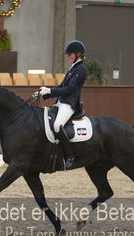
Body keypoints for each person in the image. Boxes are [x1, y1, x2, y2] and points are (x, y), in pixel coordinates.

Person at [33, 40, 87, 169]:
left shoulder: (81, 69)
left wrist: (50, 91)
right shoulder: (72, 68)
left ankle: (70, 157)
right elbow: (61, 86)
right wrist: (44, 94)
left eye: (70, 54)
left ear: (78, 54)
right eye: (68, 54)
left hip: (70, 104)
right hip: (61, 103)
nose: (68, 57)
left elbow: (70, 89)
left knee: (57, 125)